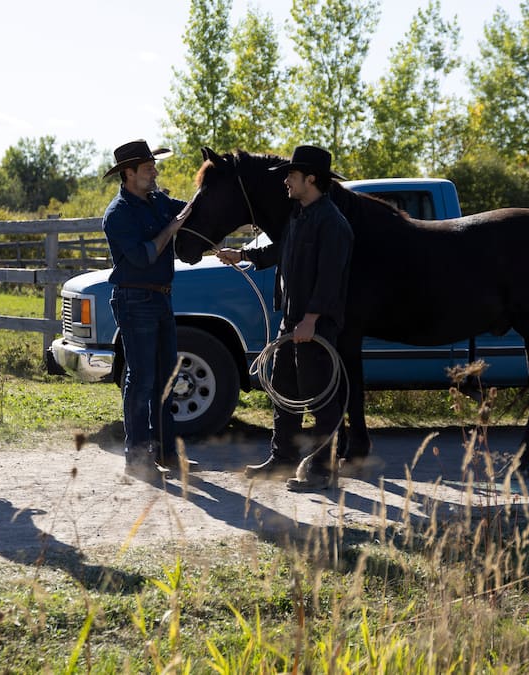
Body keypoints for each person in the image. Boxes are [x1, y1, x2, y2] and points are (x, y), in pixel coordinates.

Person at [216, 145, 353, 491]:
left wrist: (310, 319)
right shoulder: (299, 216)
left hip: (315, 324)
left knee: (321, 395)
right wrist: (243, 254)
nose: (286, 182)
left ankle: (322, 470)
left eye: (292, 176)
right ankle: (283, 459)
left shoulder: (333, 223)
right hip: (292, 321)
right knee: (283, 389)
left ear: (311, 179)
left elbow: (329, 278)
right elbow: (281, 250)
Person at [102, 139, 194, 481]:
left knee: (165, 378)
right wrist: (171, 229)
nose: (154, 171)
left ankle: (167, 453)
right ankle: (137, 457)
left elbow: (189, 210)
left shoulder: (157, 201)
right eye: (148, 167)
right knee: (141, 379)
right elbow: (142, 257)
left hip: (159, 297)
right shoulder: (118, 214)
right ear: (129, 173)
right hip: (134, 299)